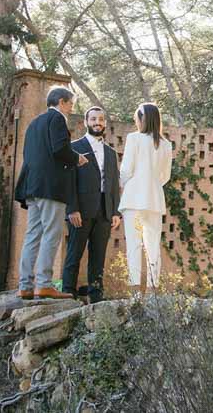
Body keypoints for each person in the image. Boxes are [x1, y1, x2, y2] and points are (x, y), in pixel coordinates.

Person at [14, 86, 89, 299]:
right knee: (52, 233)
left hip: (32, 186)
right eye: (70, 104)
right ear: (62, 102)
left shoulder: (34, 124)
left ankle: (25, 286)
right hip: (51, 187)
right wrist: (77, 159)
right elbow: (59, 149)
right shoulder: (57, 120)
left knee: (32, 235)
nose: (70, 108)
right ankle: (44, 284)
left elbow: (33, 154)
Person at [62, 106, 122, 303]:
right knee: (74, 255)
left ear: (105, 123)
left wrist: (115, 212)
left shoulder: (111, 153)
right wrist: (72, 208)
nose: (98, 122)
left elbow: (113, 184)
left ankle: (96, 297)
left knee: (98, 258)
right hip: (80, 210)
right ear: (86, 123)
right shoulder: (74, 147)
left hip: (105, 212)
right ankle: (68, 294)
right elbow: (68, 181)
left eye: (101, 119)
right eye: (94, 119)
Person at [119, 102, 173, 293]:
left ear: (142, 119)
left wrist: (125, 184)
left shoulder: (134, 138)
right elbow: (165, 176)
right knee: (153, 246)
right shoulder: (166, 144)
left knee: (134, 245)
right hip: (155, 200)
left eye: (137, 119)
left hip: (133, 199)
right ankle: (153, 292)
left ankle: (135, 293)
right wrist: (151, 183)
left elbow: (126, 169)